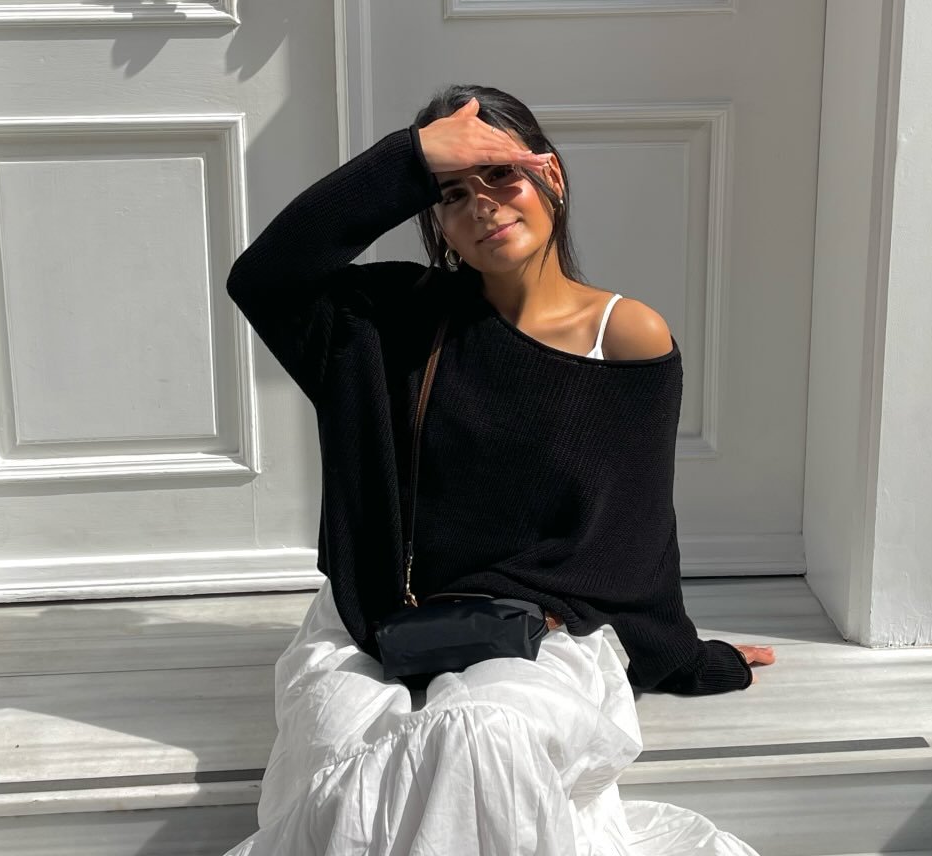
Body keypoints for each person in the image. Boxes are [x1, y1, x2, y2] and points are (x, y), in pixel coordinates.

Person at [219, 86, 776, 856]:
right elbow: (263, 278)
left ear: (552, 178)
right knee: (348, 773)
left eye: (500, 176)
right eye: (452, 192)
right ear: (436, 219)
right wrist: (409, 160)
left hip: (541, 633)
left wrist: (682, 658)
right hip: (381, 624)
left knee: (477, 740)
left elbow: (636, 525)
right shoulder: (394, 321)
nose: (481, 204)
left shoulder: (625, 336)